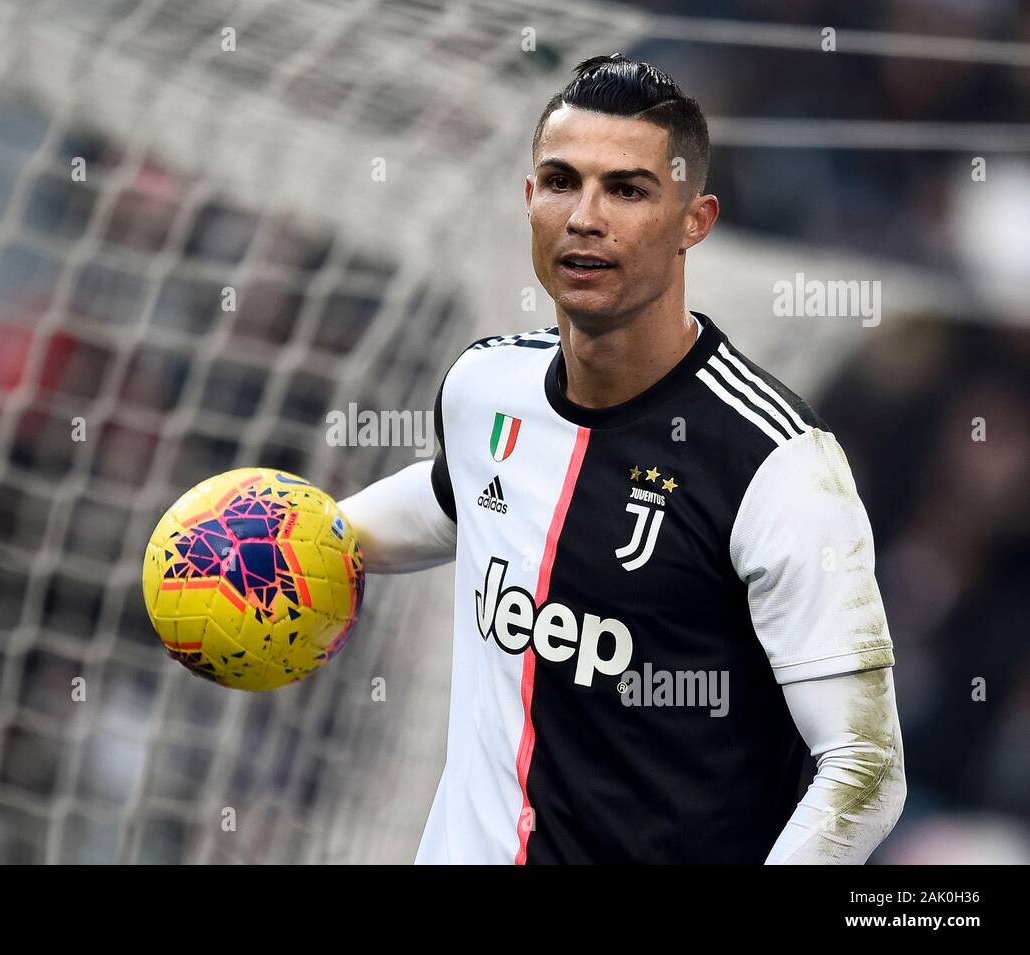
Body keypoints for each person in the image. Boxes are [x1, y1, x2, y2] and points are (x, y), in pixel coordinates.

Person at [338, 54, 905, 864]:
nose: (585, 217)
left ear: (694, 220)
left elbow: (866, 769)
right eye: (562, 181)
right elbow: (451, 501)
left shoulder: (778, 466)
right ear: (530, 198)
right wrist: (299, 534)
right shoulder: (484, 390)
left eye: (628, 189)